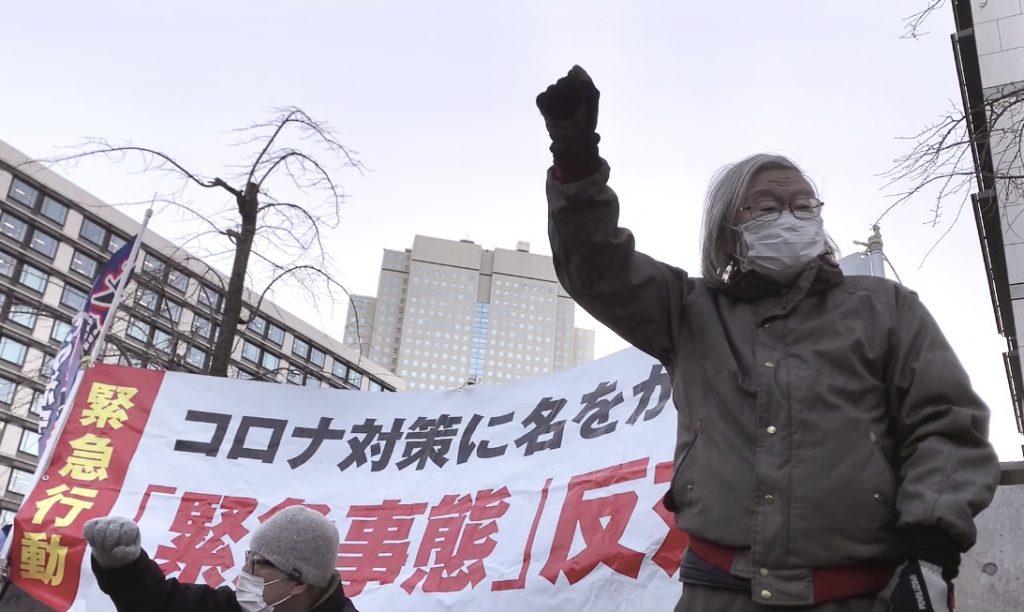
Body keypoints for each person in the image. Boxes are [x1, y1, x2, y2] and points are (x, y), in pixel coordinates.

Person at [536, 66, 1000, 612]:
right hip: (719, 596)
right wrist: (576, 161)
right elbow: (595, 267)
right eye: (767, 207)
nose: (792, 216)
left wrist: (929, 548)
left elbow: (946, 424)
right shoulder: (687, 310)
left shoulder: (884, 308)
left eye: (805, 206)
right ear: (729, 230)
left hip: (862, 596)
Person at [84, 505, 358, 612]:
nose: (246, 570)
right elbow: (160, 602)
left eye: (259, 563)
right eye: (248, 556)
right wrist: (124, 565)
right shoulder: (235, 608)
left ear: (298, 582)